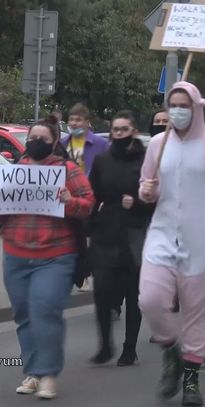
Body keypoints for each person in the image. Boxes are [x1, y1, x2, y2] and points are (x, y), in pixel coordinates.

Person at [138, 81, 205, 406]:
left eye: (184, 104)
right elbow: (147, 183)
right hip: (163, 234)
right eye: (173, 105)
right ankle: (171, 350)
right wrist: (147, 191)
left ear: (198, 106)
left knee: (199, 312)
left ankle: (191, 380)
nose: (178, 111)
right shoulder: (158, 143)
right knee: (151, 299)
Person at [3, 116, 95, 399]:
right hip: (16, 254)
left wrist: (69, 201)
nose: (36, 143)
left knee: (45, 312)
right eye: (33, 138)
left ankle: (48, 375)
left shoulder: (67, 170)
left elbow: (88, 205)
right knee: (24, 315)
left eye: (43, 139)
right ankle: (32, 372)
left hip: (55, 256)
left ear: (54, 142)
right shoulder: (16, 170)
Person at [88, 111, 153, 367]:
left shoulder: (145, 161)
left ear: (133, 131)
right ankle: (105, 345)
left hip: (134, 235)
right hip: (106, 233)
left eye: (124, 129)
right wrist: (89, 227)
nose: (119, 134)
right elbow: (92, 195)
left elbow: (156, 199)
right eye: (115, 130)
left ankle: (129, 348)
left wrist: (137, 202)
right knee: (102, 292)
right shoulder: (103, 160)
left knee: (131, 295)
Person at [62, 102, 108, 292]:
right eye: (71, 119)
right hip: (68, 198)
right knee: (76, 235)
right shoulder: (63, 143)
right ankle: (82, 273)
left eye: (79, 119)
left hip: (93, 195)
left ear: (87, 122)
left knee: (90, 236)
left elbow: (107, 169)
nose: (74, 123)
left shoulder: (100, 143)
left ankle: (90, 273)